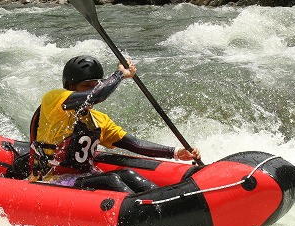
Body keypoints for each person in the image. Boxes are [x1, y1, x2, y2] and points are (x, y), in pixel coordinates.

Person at [29, 55, 200, 193]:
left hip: (82, 178)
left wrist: (177, 153)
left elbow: (135, 145)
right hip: (51, 181)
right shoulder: (54, 101)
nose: (92, 89)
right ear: (70, 86)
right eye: (86, 86)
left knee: (127, 174)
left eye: (95, 85)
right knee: (111, 179)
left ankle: (168, 204)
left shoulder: (98, 120)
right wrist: (119, 74)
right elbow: (96, 96)